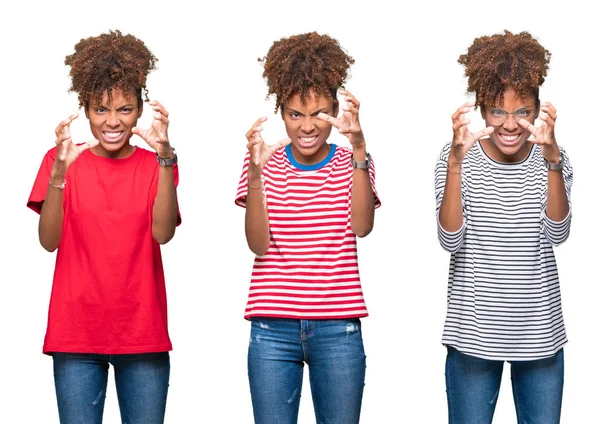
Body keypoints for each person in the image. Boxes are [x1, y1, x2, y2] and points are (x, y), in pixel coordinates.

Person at [27, 30, 180, 424]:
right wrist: (58, 176)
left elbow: (163, 233)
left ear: (140, 110)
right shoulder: (61, 160)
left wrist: (165, 158)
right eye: (101, 110)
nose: (113, 121)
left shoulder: (155, 165)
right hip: (76, 332)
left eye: (125, 109)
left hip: (141, 331)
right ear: (86, 108)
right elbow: (49, 241)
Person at [235, 31, 381, 424]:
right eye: (295, 114)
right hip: (272, 328)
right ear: (281, 111)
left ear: (335, 108)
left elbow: (362, 226)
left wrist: (361, 153)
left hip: (338, 329)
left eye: (319, 113)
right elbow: (257, 244)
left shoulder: (351, 162)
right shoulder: (264, 162)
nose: (307, 126)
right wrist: (256, 175)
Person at [435, 30, 572, 424]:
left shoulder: (555, 157)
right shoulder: (454, 155)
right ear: (482, 109)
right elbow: (450, 239)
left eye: (522, 111)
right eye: (498, 111)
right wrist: (457, 166)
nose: (510, 124)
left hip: (540, 334)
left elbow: (558, 234)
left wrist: (551, 161)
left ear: (537, 109)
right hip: (472, 335)